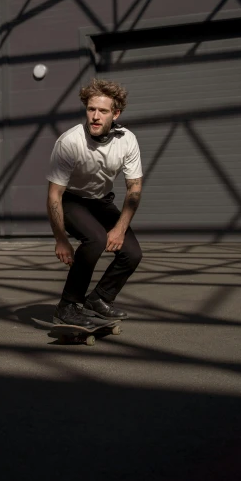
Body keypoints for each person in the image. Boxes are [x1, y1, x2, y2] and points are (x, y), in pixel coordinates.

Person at [46, 79, 143, 326]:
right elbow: (54, 195)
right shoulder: (70, 142)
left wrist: (120, 229)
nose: (95, 117)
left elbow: (134, 188)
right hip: (72, 200)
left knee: (132, 253)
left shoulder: (127, 140)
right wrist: (61, 239)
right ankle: (67, 305)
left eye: (103, 111)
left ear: (116, 113)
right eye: (91, 110)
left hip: (101, 202)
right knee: (96, 239)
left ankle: (99, 299)